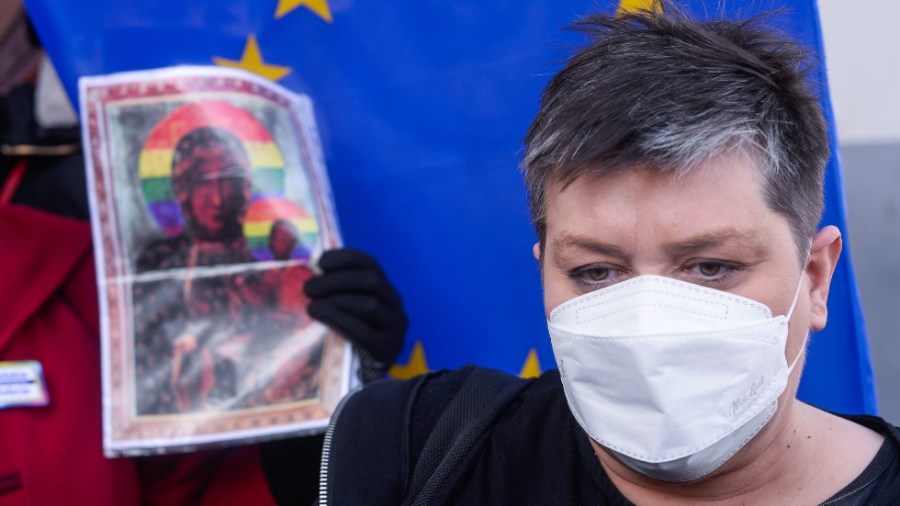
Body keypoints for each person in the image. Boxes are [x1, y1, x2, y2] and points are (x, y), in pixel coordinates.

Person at [319, 4, 900, 505]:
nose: (649, 321)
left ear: (815, 276)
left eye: (711, 267)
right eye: (596, 272)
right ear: (545, 269)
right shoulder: (411, 446)